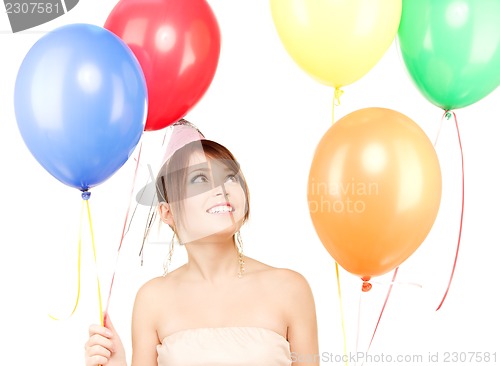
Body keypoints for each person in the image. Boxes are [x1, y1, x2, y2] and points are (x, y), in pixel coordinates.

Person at [84, 120, 319, 366]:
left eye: (229, 177)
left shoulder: (290, 289)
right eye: (199, 179)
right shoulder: (152, 299)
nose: (221, 188)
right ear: (167, 213)